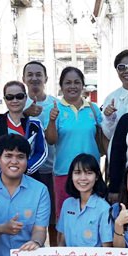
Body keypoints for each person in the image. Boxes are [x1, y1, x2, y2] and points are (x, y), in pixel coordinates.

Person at [45, 66, 104, 218]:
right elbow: (51, 141)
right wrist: (52, 120)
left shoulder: (93, 109)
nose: (72, 86)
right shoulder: (55, 109)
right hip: (65, 172)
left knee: (92, 217)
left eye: (77, 82)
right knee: (66, 219)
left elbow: (103, 136)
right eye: (68, 83)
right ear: (61, 86)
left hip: (91, 173)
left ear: (82, 85)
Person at [22, 61, 59, 245]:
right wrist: (25, 114)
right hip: (28, 171)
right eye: (30, 74)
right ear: (24, 79)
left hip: (53, 169)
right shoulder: (19, 102)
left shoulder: (56, 103)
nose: (34, 78)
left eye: (38, 74)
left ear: (46, 78)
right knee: (28, 218)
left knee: (53, 219)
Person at [0, 81, 47, 180]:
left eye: (19, 96)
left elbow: (41, 152)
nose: (14, 100)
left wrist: (26, 168)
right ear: (4, 99)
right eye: (9, 97)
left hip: (28, 179)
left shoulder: (35, 124)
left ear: (25, 98)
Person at [56, 154, 113, 247]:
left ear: (97, 176)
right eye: (77, 172)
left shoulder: (104, 208)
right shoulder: (67, 204)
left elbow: (107, 247)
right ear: (71, 175)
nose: (83, 178)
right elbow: (62, 241)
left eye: (88, 173)